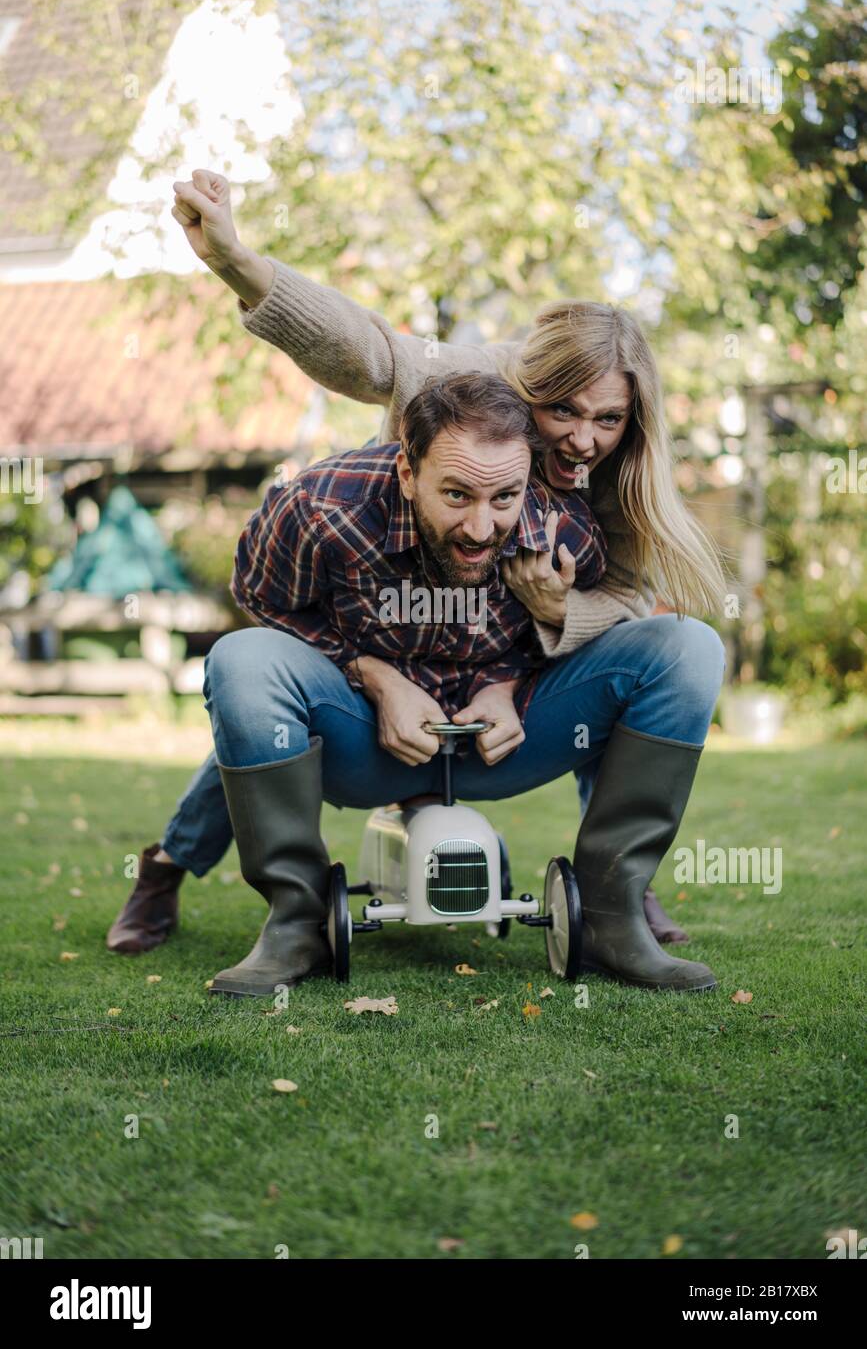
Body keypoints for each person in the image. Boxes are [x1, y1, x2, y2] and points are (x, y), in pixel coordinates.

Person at [106, 167, 726, 954]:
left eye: (605, 418)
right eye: (560, 410)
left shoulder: (612, 479)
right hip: (380, 626)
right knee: (259, 682)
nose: (580, 438)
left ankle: (617, 897)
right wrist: (236, 261)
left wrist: (556, 617)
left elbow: (626, 609)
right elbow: (365, 349)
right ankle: (170, 866)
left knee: (638, 661)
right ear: (521, 387)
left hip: (502, 671)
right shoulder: (461, 392)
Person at [199, 371, 723, 997]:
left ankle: (611, 920)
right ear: (405, 472)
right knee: (241, 659)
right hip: (364, 743)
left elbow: (589, 636)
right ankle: (297, 923)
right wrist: (372, 675)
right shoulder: (319, 505)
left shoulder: (564, 529)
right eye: (456, 496)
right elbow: (261, 597)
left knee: (688, 647)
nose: (480, 529)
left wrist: (508, 682)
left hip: (501, 744)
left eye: (504, 498)